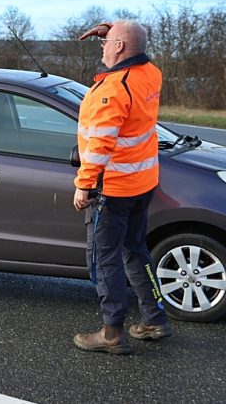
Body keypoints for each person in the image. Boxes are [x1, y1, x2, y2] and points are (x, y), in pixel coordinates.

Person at [71, 20, 170, 354]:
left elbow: (100, 144)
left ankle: (111, 333)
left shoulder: (113, 89)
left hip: (112, 189)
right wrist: (113, 28)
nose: (102, 45)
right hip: (142, 184)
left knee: (104, 260)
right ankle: (154, 318)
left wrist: (84, 186)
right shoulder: (150, 73)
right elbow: (135, 43)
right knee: (135, 251)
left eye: (107, 41)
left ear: (120, 47)